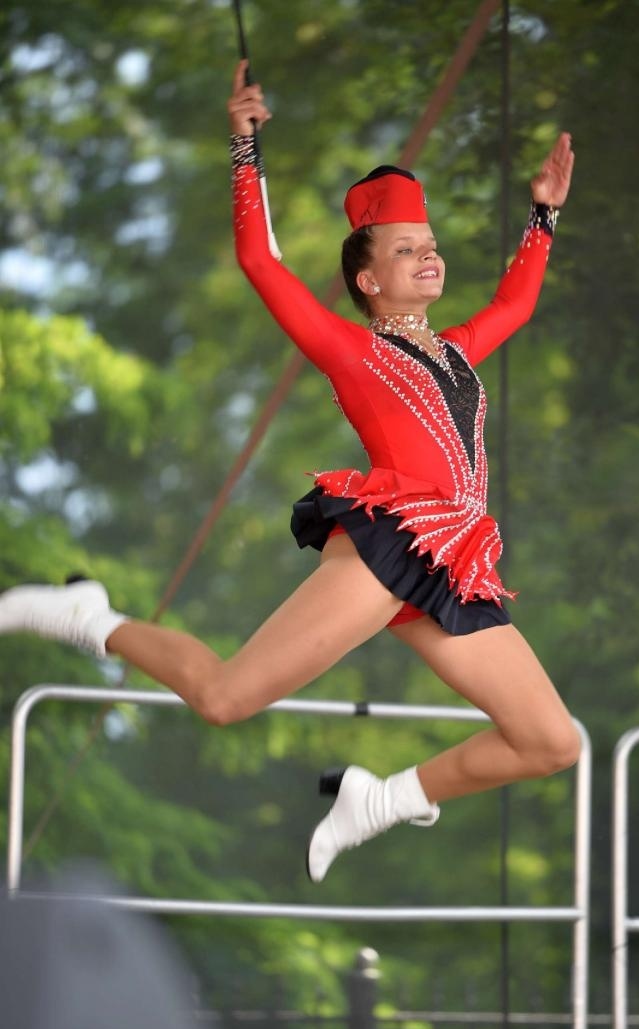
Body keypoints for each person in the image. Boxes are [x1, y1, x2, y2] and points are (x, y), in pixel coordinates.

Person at [0, 60, 578, 884]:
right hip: (390, 546)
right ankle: (90, 620)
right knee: (227, 699)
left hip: (451, 564)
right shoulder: (352, 349)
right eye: (405, 248)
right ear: (367, 278)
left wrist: (542, 216)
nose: (428, 257)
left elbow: (514, 306)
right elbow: (260, 263)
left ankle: (379, 800)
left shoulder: (455, 351)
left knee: (550, 741)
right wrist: (244, 146)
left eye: (432, 246)